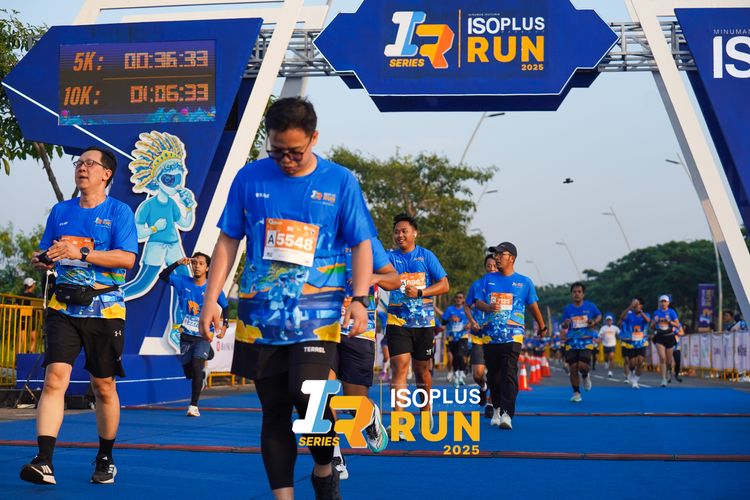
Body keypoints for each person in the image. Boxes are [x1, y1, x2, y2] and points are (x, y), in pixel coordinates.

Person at [198, 97, 376, 500]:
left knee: (307, 391)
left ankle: (324, 466)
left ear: (314, 138)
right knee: (275, 409)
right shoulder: (249, 178)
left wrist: (360, 298)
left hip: (317, 314)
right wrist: (213, 299)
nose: (286, 160)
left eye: (295, 151)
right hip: (261, 315)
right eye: (277, 151)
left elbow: (361, 244)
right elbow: (228, 240)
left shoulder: (340, 181)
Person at [20, 147, 137, 486]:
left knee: (103, 386)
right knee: (55, 379)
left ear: (106, 174)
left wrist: (82, 252)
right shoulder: (61, 211)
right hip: (63, 308)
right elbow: (49, 249)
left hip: (105, 309)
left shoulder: (119, 212)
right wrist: (43, 258)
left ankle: (105, 457)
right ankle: (44, 460)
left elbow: (127, 259)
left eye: (90, 164)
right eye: (79, 163)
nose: (82, 168)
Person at [331, 238, 400, 480]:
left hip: (359, 332)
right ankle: (334, 456)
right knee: (321, 396)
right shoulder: (320, 236)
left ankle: (369, 417)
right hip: (323, 330)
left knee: (354, 403)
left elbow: (394, 280)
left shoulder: (368, 242)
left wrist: (373, 278)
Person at [471, 242, 546, 430]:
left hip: (513, 336)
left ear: (511, 258)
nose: (496, 258)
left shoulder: (524, 282)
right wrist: (488, 307)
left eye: (500, 254)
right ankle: (496, 408)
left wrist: (542, 326)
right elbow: (477, 302)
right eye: (495, 254)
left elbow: (533, 306)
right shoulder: (487, 279)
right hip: (490, 336)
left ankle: (507, 414)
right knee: (494, 376)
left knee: (509, 373)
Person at [386, 213, 449, 427]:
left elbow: (444, 285)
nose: (400, 235)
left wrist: (421, 292)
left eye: (404, 231)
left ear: (415, 233)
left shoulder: (426, 256)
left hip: (423, 324)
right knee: (399, 367)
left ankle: (426, 409)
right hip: (397, 322)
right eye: (396, 232)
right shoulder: (389, 257)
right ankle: (398, 420)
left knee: (422, 371)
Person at [159, 253, 229, 416]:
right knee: (189, 372)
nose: (197, 266)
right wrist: (178, 263)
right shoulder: (183, 281)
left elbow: (225, 306)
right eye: (195, 263)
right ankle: (207, 356)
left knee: (197, 365)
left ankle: (193, 406)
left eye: (201, 263)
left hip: (203, 334)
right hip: (185, 334)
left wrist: (224, 325)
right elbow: (163, 276)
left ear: (207, 268)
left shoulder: (213, 287)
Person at [465, 254, 497, 418]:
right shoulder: (478, 284)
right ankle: (483, 388)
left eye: (495, 266)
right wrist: (472, 321)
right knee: (478, 374)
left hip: (497, 336)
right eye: (488, 266)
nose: (492, 269)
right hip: (478, 336)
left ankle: (491, 403)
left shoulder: (504, 286)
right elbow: (467, 306)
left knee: (494, 373)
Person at [560, 283, 601, 403]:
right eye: (574, 292)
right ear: (571, 294)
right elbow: (563, 325)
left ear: (583, 294)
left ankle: (585, 375)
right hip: (572, 341)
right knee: (573, 367)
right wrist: (565, 324)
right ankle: (576, 393)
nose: (576, 294)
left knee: (582, 366)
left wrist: (594, 322)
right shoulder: (568, 309)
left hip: (586, 340)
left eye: (579, 292)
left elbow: (599, 315)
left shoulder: (590, 306)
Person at [620, 297, 651, 389]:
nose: (636, 306)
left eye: (638, 304)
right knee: (632, 364)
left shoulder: (645, 314)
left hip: (641, 342)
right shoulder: (629, 315)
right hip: (631, 343)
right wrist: (630, 307)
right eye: (635, 305)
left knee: (640, 362)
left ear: (641, 306)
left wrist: (641, 312)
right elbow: (622, 317)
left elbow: (648, 321)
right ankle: (631, 373)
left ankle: (635, 380)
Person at [650, 294, 680, 387]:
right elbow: (652, 327)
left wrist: (669, 321)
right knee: (662, 358)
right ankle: (663, 379)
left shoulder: (672, 312)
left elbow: (677, 325)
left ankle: (669, 371)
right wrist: (655, 322)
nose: (663, 303)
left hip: (669, 336)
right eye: (662, 301)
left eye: (665, 301)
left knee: (669, 360)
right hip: (660, 336)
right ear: (659, 303)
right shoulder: (656, 312)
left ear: (668, 303)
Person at [442, 292, 470, 387]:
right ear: (455, 299)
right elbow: (443, 322)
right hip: (451, 336)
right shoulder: (449, 309)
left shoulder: (466, 309)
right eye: (457, 297)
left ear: (463, 299)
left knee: (460, 354)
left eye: (460, 297)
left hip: (463, 336)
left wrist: (469, 325)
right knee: (453, 356)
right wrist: (450, 318)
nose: (458, 299)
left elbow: (472, 320)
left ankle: (461, 372)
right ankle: (456, 373)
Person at [18, 277, 40, 353]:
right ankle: (23, 355)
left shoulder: (20, 296)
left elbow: (17, 305)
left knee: (24, 339)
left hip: (24, 318)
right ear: (31, 285)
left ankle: (26, 354)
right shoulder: (33, 297)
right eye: (33, 284)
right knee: (30, 339)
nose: (34, 286)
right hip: (29, 318)